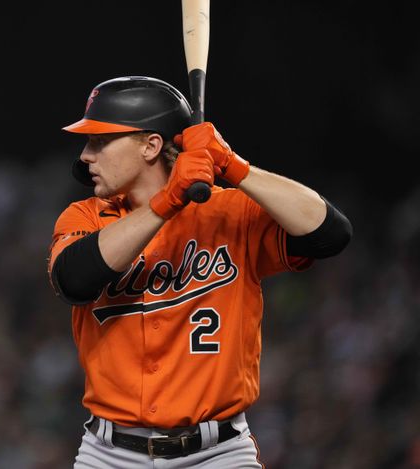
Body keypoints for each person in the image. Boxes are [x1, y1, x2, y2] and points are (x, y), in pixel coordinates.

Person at [46, 76, 352, 468]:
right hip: (110, 454)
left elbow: (330, 234)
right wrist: (167, 201)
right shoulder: (85, 216)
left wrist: (235, 166)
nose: (86, 155)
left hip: (218, 453)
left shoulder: (228, 213)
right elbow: (74, 279)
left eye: (101, 141)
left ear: (151, 146)